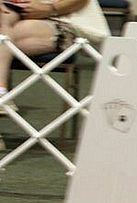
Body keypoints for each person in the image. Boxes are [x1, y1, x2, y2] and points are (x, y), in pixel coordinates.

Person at [0, 0, 110, 149]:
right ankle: (1, 94)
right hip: (11, 17)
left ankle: (1, 93)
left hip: (60, 19)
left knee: (6, 35)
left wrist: (49, 9)